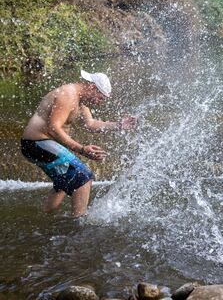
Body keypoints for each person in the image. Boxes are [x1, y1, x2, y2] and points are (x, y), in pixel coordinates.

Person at [21, 70, 137, 217]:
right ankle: (79, 225)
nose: (99, 103)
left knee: (63, 184)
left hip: (39, 144)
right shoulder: (68, 94)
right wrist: (81, 149)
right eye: (100, 98)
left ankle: (42, 219)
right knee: (83, 177)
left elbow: (90, 123)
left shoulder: (80, 99)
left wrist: (118, 125)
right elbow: (53, 128)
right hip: (36, 143)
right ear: (92, 87)